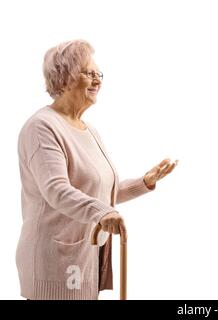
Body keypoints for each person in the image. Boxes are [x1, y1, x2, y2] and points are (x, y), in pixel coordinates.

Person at [16, 39, 177, 300]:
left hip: (86, 256)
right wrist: (103, 212)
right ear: (65, 78)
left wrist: (143, 182)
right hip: (55, 263)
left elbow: (99, 192)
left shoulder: (89, 130)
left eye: (98, 74)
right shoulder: (42, 127)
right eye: (89, 73)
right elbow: (56, 190)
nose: (98, 80)